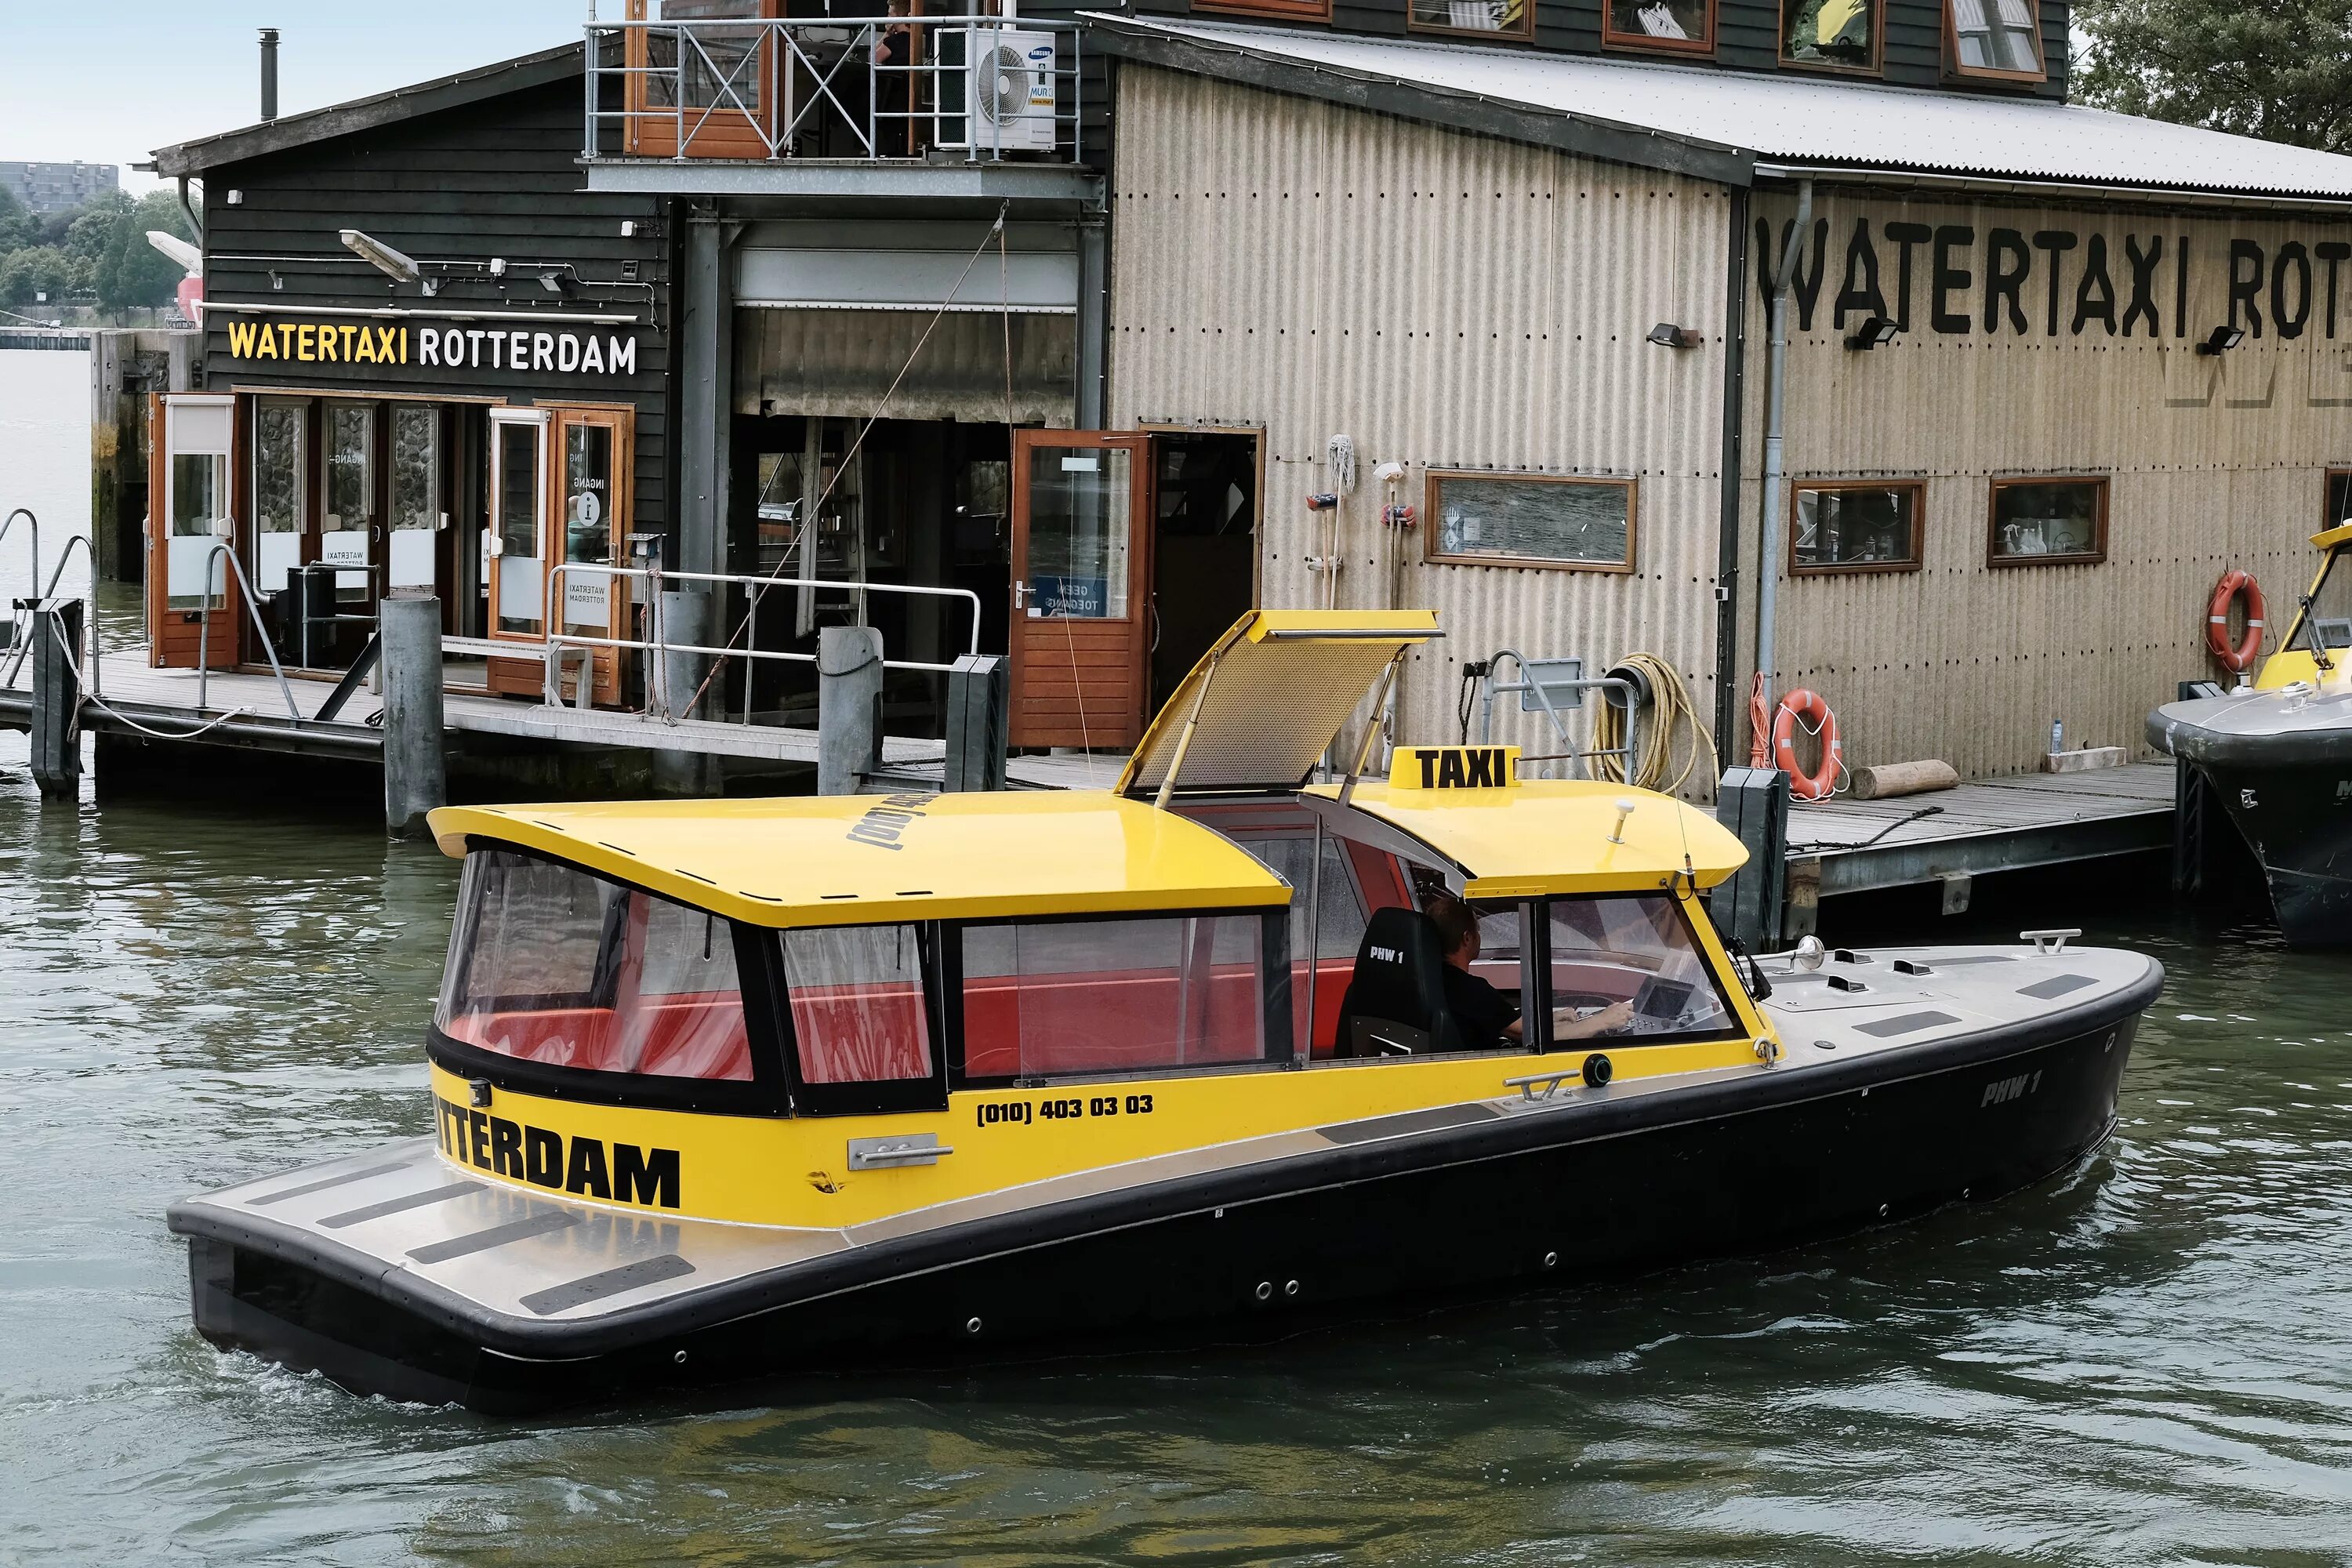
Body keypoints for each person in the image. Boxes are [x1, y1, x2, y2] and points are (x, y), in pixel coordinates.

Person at [1425, 892, 1634, 1051]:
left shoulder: (1431, 980)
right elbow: (1537, 1038)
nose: (1480, 937)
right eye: (1478, 930)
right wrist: (1603, 1020)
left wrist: (1553, 1018)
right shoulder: (1471, 990)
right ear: (1467, 938)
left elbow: (1506, 1021)